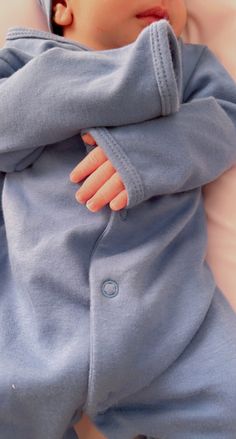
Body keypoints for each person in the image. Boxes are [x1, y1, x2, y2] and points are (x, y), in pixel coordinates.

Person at [0, 1, 236, 438]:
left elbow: (224, 124)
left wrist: (150, 154)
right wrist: (116, 85)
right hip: (33, 323)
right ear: (64, 8)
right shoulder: (24, 62)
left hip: (170, 323)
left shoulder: (186, 65)